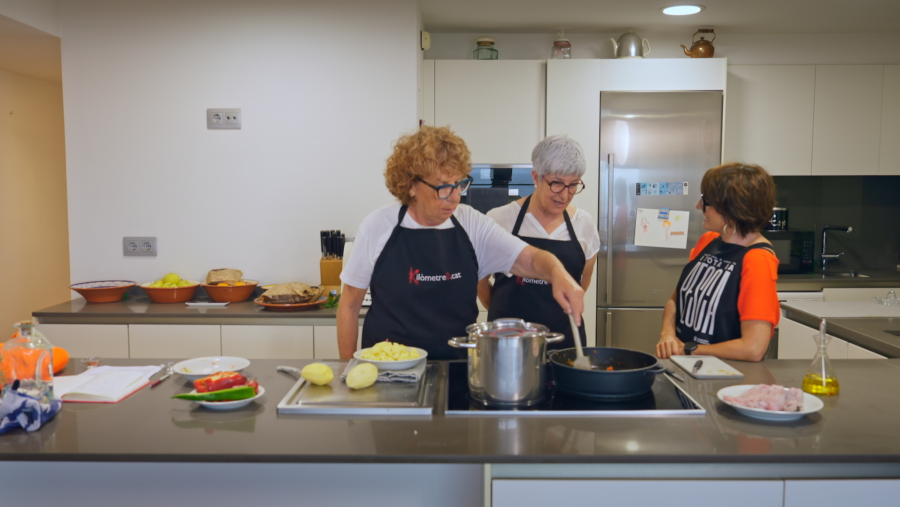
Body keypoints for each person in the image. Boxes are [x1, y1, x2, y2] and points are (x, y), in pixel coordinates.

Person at [337, 126, 585, 360]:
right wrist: (346, 371)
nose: (455, 197)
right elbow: (349, 305)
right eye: (444, 187)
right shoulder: (378, 226)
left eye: (459, 184)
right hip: (388, 366)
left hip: (456, 367)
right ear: (411, 184)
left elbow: (529, 258)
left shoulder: (472, 224)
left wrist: (557, 273)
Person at [476, 135, 600, 351]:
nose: (565, 195)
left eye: (573, 185)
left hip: (564, 342)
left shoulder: (584, 224)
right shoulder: (500, 219)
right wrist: (503, 315)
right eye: (557, 184)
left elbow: (582, 283)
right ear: (536, 177)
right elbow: (480, 281)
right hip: (508, 343)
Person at [656, 163, 780, 362]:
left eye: (706, 201)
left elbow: (753, 348)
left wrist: (688, 350)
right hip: (686, 367)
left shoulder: (757, 260)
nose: (698, 206)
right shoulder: (709, 241)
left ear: (733, 207)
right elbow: (675, 300)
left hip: (726, 377)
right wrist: (667, 334)